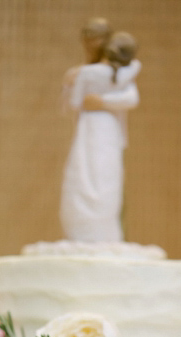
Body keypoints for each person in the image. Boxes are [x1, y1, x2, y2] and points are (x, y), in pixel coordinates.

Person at [60, 31, 141, 244]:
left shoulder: (87, 73)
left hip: (91, 128)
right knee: (104, 176)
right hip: (109, 129)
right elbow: (131, 98)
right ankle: (102, 231)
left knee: (88, 174)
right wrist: (107, 102)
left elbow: (75, 103)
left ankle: (87, 230)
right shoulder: (128, 72)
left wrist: (96, 100)